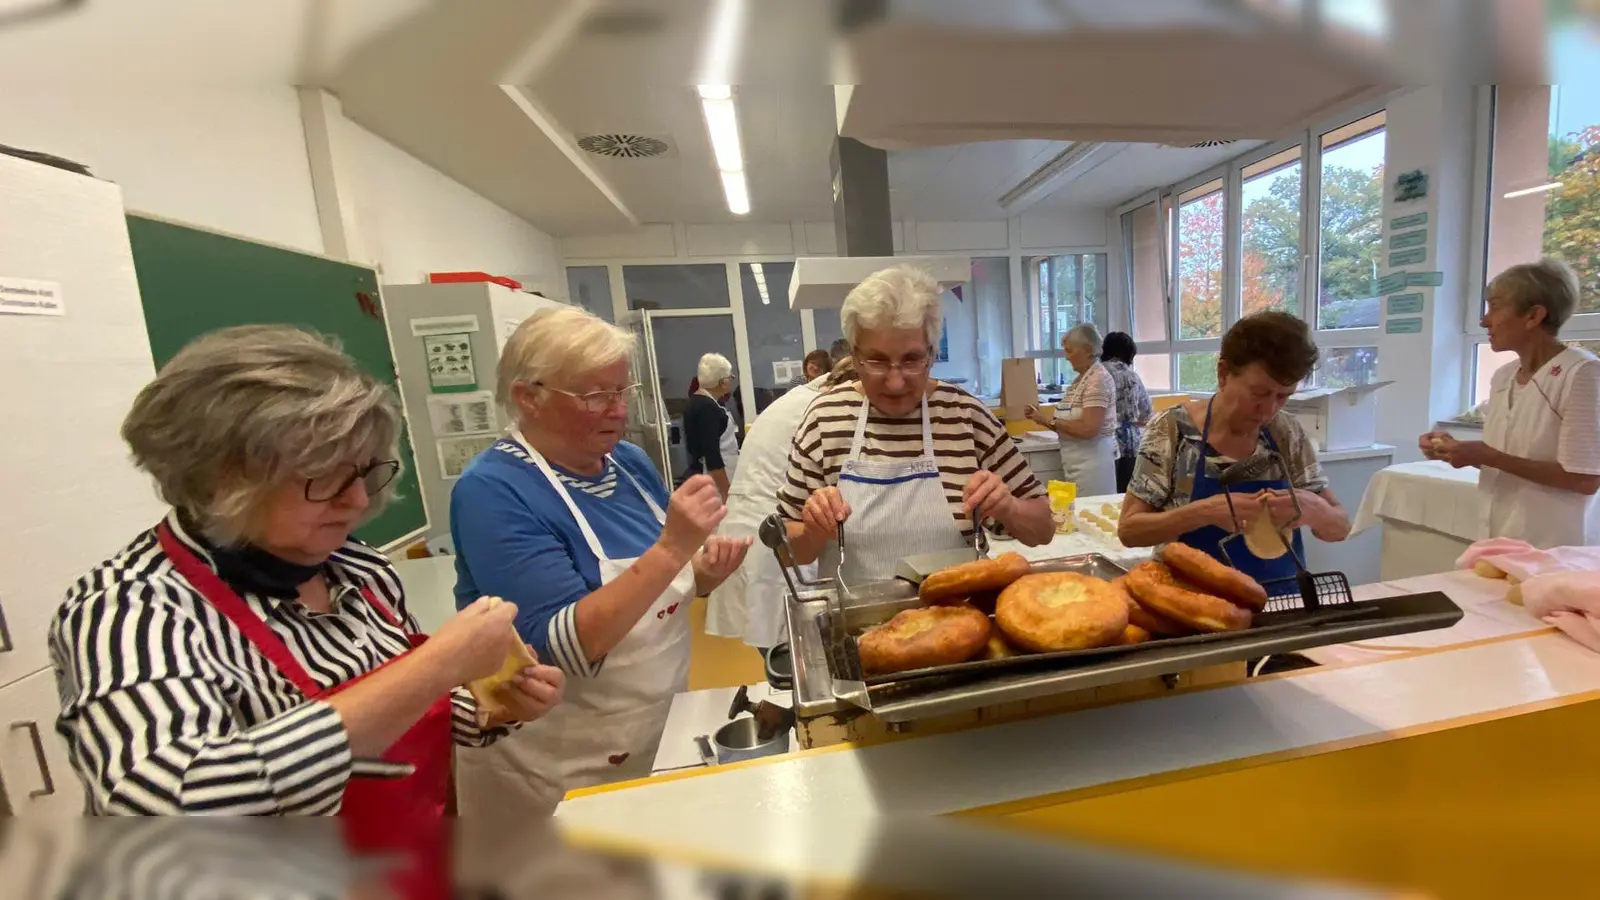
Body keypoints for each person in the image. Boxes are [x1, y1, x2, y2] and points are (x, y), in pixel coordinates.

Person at [48, 328, 562, 837]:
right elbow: (163, 804)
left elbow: (402, 718)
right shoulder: (128, 609)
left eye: (364, 472)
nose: (359, 501)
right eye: (325, 477)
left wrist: (494, 707)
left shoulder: (358, 570)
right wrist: (435, 667)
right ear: (218, 477)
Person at [449, 306, 752, 815]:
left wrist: (702, 573)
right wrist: (674, 548)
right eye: (595, 396)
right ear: (529, 397)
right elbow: (563, 649)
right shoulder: (493, 491)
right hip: (555, 768)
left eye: (621, 392)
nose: (618, 411)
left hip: (655, 728)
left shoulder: (628, 464)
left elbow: (656, 592)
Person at [778, 265, 1055, 580]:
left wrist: (1010, 508)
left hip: (960, 620)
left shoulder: (966, 417)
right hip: (856, 623)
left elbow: (1043, 529)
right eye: (877, 361)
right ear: (854, 357)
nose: (895, 382)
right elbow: (787, 553)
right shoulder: (824, 420)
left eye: (912, 360)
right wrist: (814, 530)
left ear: (932, 354)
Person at [1118, 312, 1351, 586]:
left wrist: (1315, 510)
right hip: (1193, 605)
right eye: (1259, 393)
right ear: (1223, 374)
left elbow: (1339, 529)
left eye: (1283, 396)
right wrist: (1203, 512)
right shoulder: (1172, 430)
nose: (1269, 410)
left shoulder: (1286, 432)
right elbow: (1130, 531)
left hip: (1280, 602)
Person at [1420, 259, 1600, 547]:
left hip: (1555, 547)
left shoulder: (1582, 373)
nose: (1484, 320)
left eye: (1495, 307)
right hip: (1499, 538)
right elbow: (1510, 460)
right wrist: (1458, 451)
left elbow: (1584, 479)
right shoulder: (1504, 376)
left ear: (1533, 316)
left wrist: (1487, 456)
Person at [709, 358, 854, 649]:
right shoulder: (824, 411)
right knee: (794, 651)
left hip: (748, 524)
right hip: (771, 535)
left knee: (784, 650)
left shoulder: (798, 400)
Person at [1024, 324, 1119, 496]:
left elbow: (1089, 429)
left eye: (1069, 351)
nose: (1066, 357)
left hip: (1093, 467)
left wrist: (1048, 421)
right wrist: (1040, 418)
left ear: (1088, 349)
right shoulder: (1078, 381)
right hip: (1073, 463)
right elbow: (1066, 426)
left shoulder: (1098, 380)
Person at [1102, 331, 1155, 493]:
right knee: (1126, 493)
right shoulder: (1133, 376)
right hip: (1132, 441)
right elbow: (1147, 412)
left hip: (1106, 441)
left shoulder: (1098, 373)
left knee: (1106, 492)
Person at [685, 352, 741, 495]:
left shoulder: (700, 401)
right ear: (721, 382)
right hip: (715, 479)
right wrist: (725, 491)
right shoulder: (707, 408)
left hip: (716, 473)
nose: (731, 381)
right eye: (730, 378)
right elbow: (712, 456)